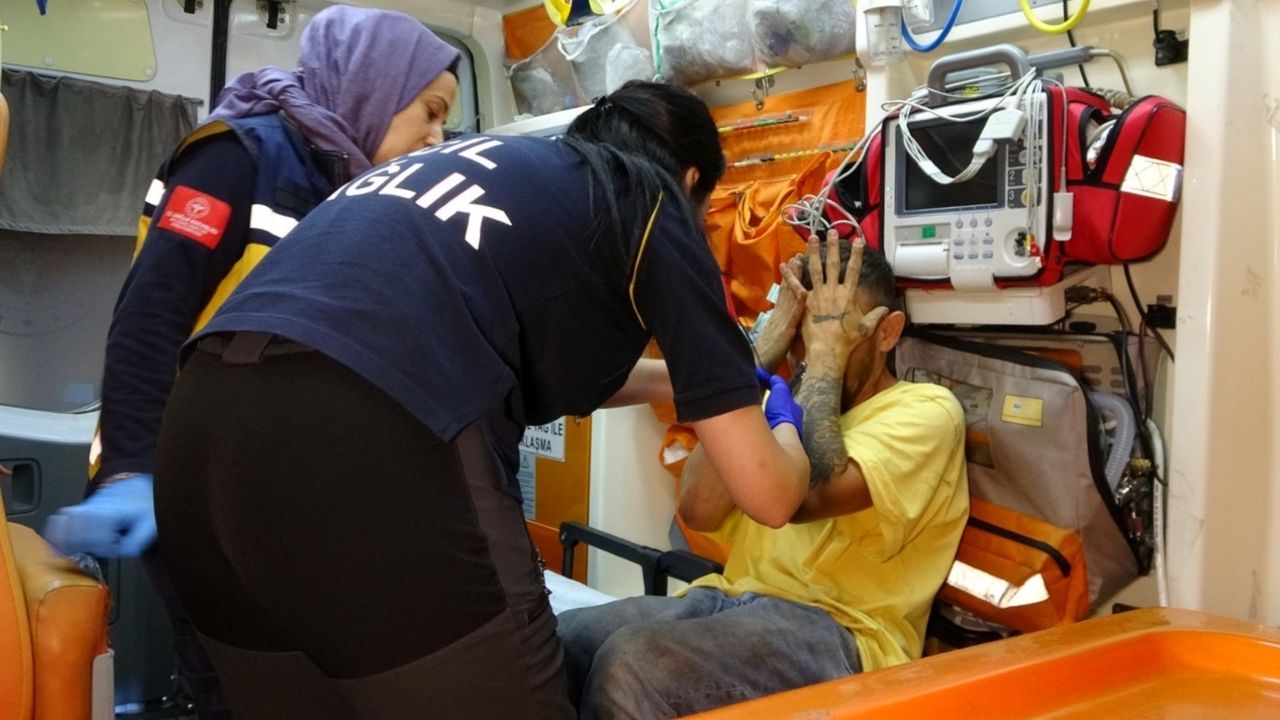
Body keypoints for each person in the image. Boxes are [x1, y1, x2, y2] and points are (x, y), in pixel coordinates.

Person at [145, 80, 813, 719]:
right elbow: (769, 494)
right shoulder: (649, 197)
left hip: (197, 436)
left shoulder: (487, 173)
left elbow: (538, 357)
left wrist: (693, 384)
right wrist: (789, 413)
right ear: (691, 180)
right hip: (364, 433)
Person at [42, 6, 461, 717]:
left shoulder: (356, 190)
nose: (436, 136)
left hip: (273, 490)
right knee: (237, 683)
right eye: (429, 111)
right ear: (372, 84)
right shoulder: (236, 157)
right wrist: (131, 472)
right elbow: (150, 318)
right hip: (191, 477)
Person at [556, 235, 971, 719]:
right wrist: (759, 356)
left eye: (834, 325)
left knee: (633, 666)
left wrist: (825, 357)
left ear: (887, 333)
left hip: (844, 632)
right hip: (733, 596)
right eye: (803, 328)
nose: (809, 347)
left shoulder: (928, 411)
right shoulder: (780, 402)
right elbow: (698, 509)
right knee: (566, 641)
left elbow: (803, 496)